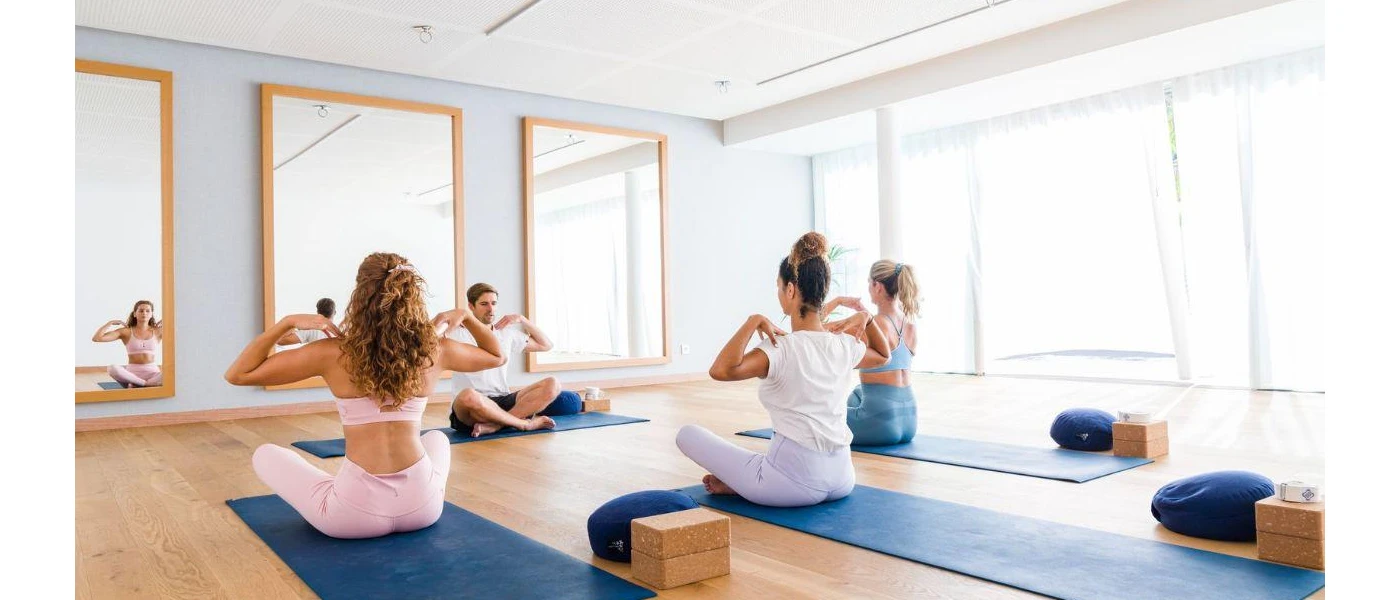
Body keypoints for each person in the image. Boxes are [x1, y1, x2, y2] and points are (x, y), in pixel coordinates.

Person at [224, 253, 506, 539]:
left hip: (351, 517)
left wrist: (285, 323)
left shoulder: (332, 352)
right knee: (436, 438)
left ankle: (343, 488)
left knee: (266, 454)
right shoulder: (435, 349)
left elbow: (239, 375)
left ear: (359, 296)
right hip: (424, 509)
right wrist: (468, 318)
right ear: (412, 296)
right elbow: (497, 356)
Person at [675, 232, 891, 507]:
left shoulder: (779, 348)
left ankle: (748, 483)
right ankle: (744, 482)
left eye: (779, 287)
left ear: (790, 290)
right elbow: (883, 355)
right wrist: (866, 318)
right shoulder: (841, 345)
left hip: (792, 485)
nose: (778, 293)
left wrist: (753, 321)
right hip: (842, 480)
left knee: (687, 435)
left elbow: (721, 370)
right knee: (761, 461)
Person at [440, 283, 566, 437]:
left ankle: (496, 425)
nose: (491, 309)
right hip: (471, 407)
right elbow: (426, 339)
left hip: (502, 400)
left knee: (553, 384)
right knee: (468, 395)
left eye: (494, 303)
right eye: (484, 304)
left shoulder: (506, 333)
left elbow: (545, 344)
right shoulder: (455, 333)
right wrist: (451, 317)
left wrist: (522, 319)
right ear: (471, 307)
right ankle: (523, 424)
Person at [822, 260, 921, 445]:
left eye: (869, 282)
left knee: (818, 416)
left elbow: (812, 331)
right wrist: (864, 315)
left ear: (877, 286)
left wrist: (837, 302)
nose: (868, 287)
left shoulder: (873, 325)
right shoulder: (910, 326)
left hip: (880, 424)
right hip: (910, 422)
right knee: (857, 393)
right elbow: (881, 331)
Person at [92, 300, 164, 388]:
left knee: (173, 369)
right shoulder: (126, 332)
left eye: (147, 311)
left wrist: (168, 321)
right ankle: (145, 384)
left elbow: (182, 338)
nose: (144, 313)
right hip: (132, 374)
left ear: (151, 314)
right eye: (141, 310)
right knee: (111, 368)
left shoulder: (158, 331)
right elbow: (97, 338)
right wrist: (109, 323)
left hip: (153, 374)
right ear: (134, 314)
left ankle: (140, 384)